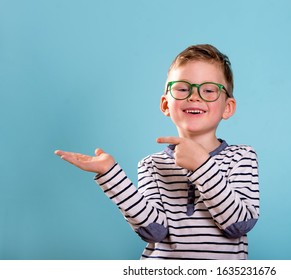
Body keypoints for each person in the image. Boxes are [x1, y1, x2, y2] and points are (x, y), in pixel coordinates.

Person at [55, 44, 260, 260]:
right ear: (165, 104)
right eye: (182, 88)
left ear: (227, 107)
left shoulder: (242, 157)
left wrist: (203, 166)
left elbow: (238, 224)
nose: (194, 96)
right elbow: (154, 231)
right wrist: (109, 174)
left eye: (208, 90)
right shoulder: (152, 165)